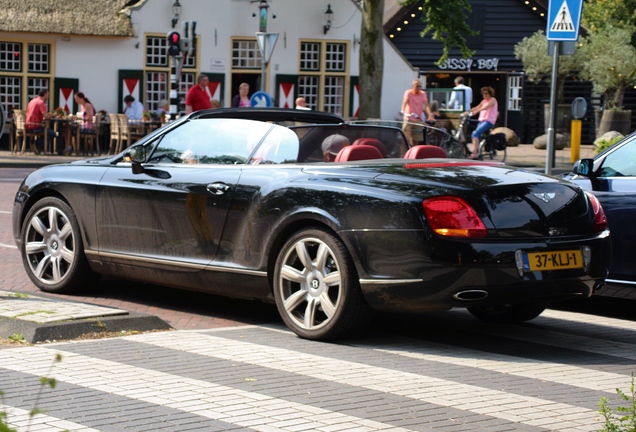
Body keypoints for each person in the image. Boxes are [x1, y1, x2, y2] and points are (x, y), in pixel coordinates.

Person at [465, 86, 498, 159]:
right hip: (482, 120)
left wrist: (477, 111)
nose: (484, 95)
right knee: (476, 136)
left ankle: (475, 153)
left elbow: (486, 107)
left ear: (490, 94)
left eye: (486, 93)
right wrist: (467, 112)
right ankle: (478, 151)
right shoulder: (484, 101)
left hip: (489, 121)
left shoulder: (493, 100)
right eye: (483, 94)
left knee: (475, 134)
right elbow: (477, 107)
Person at [400, 79, 434, 145]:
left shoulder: (422, 94)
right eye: (417, 86)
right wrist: (402, 111)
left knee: (417, 139)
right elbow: (404, 102)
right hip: (408, 118)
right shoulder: (408, 92)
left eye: (420, 86)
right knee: (405, 139)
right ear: (413, 86)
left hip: (418, 119)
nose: (418, 88)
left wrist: (430, 114)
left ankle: (414, 152)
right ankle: (403, 154)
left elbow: (426, 104)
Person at [25, 89, 55, 154]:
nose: (48, 96)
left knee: (46, 131)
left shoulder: (32, 101)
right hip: (35, 125)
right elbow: (46, 116)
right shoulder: (41, 102)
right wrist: (53, 115)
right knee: (52, 133)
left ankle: (37, 145)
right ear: (45, 94)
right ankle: (36, 144)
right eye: (48, 94)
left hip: (28, 124)